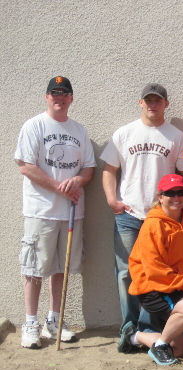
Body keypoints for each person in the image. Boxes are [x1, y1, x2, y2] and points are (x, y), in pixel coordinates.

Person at [100, 83, 183, 350]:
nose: (153, 104)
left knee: (155, 274)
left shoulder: (176, 137)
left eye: (158, 100)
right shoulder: (124, 133)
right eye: (148, 100)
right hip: (128, 214)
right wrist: (111, 200)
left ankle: (147, 328)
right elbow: (108, 169)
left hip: (160, 218)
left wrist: (178, 206)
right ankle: (128, 328)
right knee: (126, 273)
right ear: (141, 103)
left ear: (166, 104)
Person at [15, 76, 96, 348]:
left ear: (71, 98)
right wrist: (59, 187)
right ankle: (30, 323)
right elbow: (26, 166)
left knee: (61, 269)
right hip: (41, 212)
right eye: (54, 93)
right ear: (47, 97)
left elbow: (88, 169)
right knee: (34, 269)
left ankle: (54, 320)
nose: (59, 97)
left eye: (64, 93)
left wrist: (78, 181)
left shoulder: (79, 130)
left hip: (72, 212)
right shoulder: (34, 126)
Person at [119, 174, 183, 365]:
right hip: (155, 287)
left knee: (177, 350)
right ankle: (160, 345)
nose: (176, 197)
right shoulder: (153, 224)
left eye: (180, 192)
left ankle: (134, 336)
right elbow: (152, 267)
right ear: (160, 197)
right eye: (170, 193)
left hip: (180, 289)